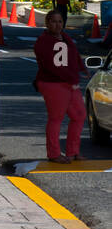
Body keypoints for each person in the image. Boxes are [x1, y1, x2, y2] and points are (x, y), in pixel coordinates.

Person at [33, 9, 87, 163]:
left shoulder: (65, 38)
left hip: (69, 83)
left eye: (60, 22)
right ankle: (54, 154)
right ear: (47, 23)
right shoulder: (43, 42)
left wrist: (82, 68)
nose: (57, 25)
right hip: (53, 83)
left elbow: (74, 55)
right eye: (54, 21)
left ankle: (73, 151)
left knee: (79, 115)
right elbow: (50, 65)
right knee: (56, 118)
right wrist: (71, 77)